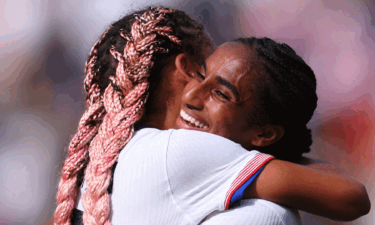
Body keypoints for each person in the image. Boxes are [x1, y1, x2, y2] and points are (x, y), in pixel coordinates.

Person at [53, 7, 370, 225]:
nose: (193, 96)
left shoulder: (110, 157)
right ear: (183, 68)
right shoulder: (179, 151)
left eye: (220, 92)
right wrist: (268, 152)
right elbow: (350, 197)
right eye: (201, 73)